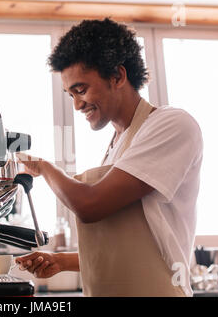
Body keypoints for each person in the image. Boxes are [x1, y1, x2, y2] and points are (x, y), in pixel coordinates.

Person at [14, 18, 203, 297]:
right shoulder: (117, 145)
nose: (77, 104)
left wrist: (44, 167)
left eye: (81, 90)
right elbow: (128, 251)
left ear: (117, 76)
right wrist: (62, 261)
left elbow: (90, 205)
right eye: (70, 95)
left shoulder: (172, 125)